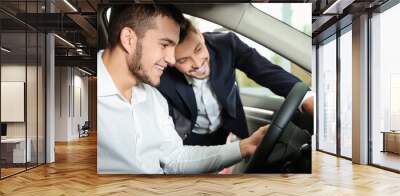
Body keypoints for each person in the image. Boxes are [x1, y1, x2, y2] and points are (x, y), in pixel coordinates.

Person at [97, 4, 268, 174]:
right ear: (129, 39)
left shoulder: (154, 99)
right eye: (165, 45)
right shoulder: (88, 101)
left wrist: (244, 147)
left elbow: (174, 158)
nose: (172, 60)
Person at [157, 18, 314, 146]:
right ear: (170, 59)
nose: (197, 63)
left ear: (200, 34)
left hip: (225, 128)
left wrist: (306, 98)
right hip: (188, 136)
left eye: (198, 49)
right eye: (183, 60)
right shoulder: (161, 74)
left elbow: (267, 72)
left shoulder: (227, 44)